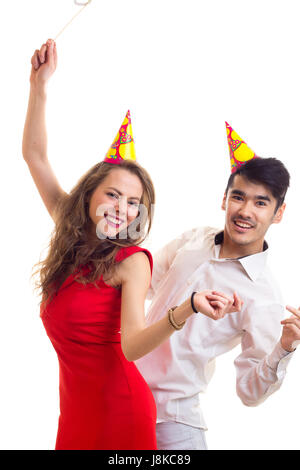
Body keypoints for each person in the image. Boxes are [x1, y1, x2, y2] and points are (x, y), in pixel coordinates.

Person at [22, 39, 242, 450]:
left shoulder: (130, 261)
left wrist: (188, 307)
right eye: (113, 194)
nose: (122, 208)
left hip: (120, 411)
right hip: (74, 416)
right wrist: (39, 86)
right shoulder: (69, 237)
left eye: (134, 201)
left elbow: (132, 345)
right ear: (88, 195)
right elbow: (35, 156)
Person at [136, 123, 300, 450]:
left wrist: (285, 346)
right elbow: (140, 285)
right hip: (121, 393)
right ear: (224, 199)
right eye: (238, 197)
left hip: (173, 420)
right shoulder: (195, 238)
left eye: (260, 203)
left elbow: (249, 393)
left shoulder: (265, 297)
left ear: (279, 213)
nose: (244, 211)